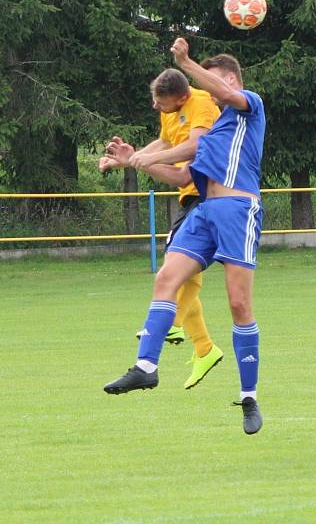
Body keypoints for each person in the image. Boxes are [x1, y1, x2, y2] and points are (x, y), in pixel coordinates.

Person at [102, 38, 266, 436]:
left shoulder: (249, 105)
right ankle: (146, 367)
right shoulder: (210, 133)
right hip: (205, 211)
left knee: (238, 303)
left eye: (211, 82)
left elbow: (224, 92)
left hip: (237, 210)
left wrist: (186, 62)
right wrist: (134, 161)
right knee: (165, 279)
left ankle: (249, 397)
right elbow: (180, 176)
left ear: (226, 78)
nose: (205, 93)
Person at [99, 68, 224, 390]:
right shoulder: (173, 112)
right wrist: (131, 159)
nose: (156, 107)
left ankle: (174, 325)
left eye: (161, 101)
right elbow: (165, 142)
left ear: (182, 97)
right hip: (195, 200)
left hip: (214, 198)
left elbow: (188, 166)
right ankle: (202, 347)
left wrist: (142, 163)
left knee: (174, 271)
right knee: (176, 270)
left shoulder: (202, 104)